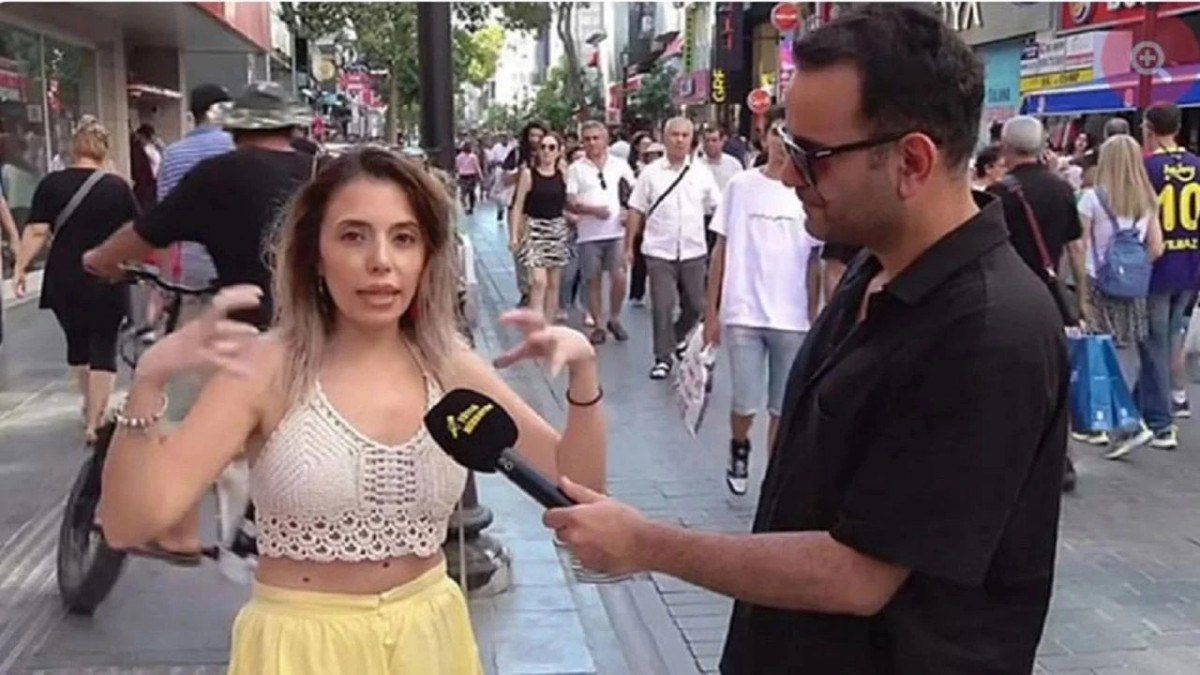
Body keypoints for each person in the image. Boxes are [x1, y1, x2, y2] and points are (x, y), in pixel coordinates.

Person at [545, 6, 1068, 673]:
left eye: (811, 157)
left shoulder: (990, 329)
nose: (790, 175)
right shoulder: (875, 266)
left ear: (912, 161)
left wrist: (646, 543)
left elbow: (858, 573)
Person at [97, 147, 606, 674]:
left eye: (403, 238)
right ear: (315, 254)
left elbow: (579, 487)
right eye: (353, 236)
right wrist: (150, 379)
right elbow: (128, 525)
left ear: (427, 256)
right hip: (303, 648)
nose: (381, 261)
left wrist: (584, 375)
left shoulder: (448, 364)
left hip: (430, 640)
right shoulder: (267, 367)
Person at [83, 82, 315, 562]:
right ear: (293, 127)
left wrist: (100, 260)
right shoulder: (321, 173)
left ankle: (177, 532)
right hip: (321, 332)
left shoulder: (216, 176)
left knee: (170, 406)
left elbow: (144, 233)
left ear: (233, 130)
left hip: (246, 328)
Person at [704, 111, 821, 496]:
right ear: (764, 136)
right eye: (776, 132)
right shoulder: (740, 186)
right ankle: (739, 448)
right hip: (744, 312)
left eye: (790, 134)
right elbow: (720, 250)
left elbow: (814, 261)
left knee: (782, 407)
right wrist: (711, 312)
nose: (781, 142)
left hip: (791, 317)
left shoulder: (808, 190)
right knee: (744, 400)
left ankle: (774, 476)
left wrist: (814, 314)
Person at [11, 121, 138, 445]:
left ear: (74, 147)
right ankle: (96, 421)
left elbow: (37, 230)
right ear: (104, 150)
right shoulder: (117, 187)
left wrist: (20, 267)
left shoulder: (51, 184)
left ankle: (89, 405)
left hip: (64, 276)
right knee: (104, 345)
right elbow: (136, 230)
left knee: (78, 345)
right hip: (107, 272)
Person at [1077, 135, 1164, 457]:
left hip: (1099, 282)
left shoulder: (1092, 198)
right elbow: (1156, 247)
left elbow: (1081, 246)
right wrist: (1134, 267)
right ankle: (1119, 421)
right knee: (1126, 353)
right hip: (1133, 286)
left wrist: (1083, 289)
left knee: (1099, 352)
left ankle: (1119, 423)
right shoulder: (1147, 199)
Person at [625, 118, 721, 380]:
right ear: (664, 138)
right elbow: (636, 208)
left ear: (692, 140)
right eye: (674, 135)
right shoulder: (651, 173)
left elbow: (717, 206)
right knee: (663, 305)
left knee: (697, 305)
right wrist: (629, 246)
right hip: (659, 250)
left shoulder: (701, 173)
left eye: (684, 135)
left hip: (693, 250)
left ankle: (677, 337)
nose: (679, 140)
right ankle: (662, 358)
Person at [1128, 102, 1200, 451]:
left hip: (1158, 264)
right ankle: (1136, 409)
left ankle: (1161, 423)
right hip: (1191, 263)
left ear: (1148, 128)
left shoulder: (1147, 168)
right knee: (1166, 340)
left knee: (1154, 343)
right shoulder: (1197, 165)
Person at [152, 83, 234, 289]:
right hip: (235, 261)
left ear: (192, 115)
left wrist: (164, 279)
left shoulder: (172, 155)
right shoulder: (236, 148)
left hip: (188, 266)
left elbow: (163, 219)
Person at [567, 121, 636, 345]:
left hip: (616, 232)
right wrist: (592, 210)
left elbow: (634, 191)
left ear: (605, 140)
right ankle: (598, 324)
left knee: (619, 276)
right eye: (587, 139)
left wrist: (628, 212)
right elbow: (571, 200)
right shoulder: (576, 168)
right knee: (593, 279)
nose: (592, 143)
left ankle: (614, 317)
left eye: (596, 138)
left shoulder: (619, 165)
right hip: (589, 234)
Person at [510, 131, 570, 322]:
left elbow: (569, 202)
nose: (546, 151)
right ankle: (535, 324)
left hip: (556, 229)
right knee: (538, 281)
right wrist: (514, 235)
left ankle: (548, 326)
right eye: (543, 147)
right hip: (535, 229)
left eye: (551, 147)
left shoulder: (563, 174)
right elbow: (518, 206)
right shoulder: (529, 175)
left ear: (559, 151)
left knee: (553, 284)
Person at [502, 122, 546, 305]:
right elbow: (505, 179)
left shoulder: (550, 153)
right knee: (520, 252)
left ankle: (541, 289)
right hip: (519, 210)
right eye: (532, 135)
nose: (535, 140)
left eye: (539, 136)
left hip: (542, 208)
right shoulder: (518, 154)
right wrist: (519, 174)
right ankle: (526, 290)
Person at [626, 133, 656, 308]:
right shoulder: (635, 169)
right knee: (640, 257)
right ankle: (637, 292)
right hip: (641, 218)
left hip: (657, 220)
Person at [130, 124, 162, 212]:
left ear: (143, 136)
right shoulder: (154, 150)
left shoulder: (146, 150)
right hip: (153, 183)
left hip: (147, 184)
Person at [454, 142, 482, 215]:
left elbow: (457, 167)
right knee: (470, 193)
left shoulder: (459, 157)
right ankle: (470, 207)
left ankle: (466, 207)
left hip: (464, 176)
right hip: (470, 176)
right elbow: (477, 167)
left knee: (464, 193)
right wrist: (480, 176)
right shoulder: (473, 156)